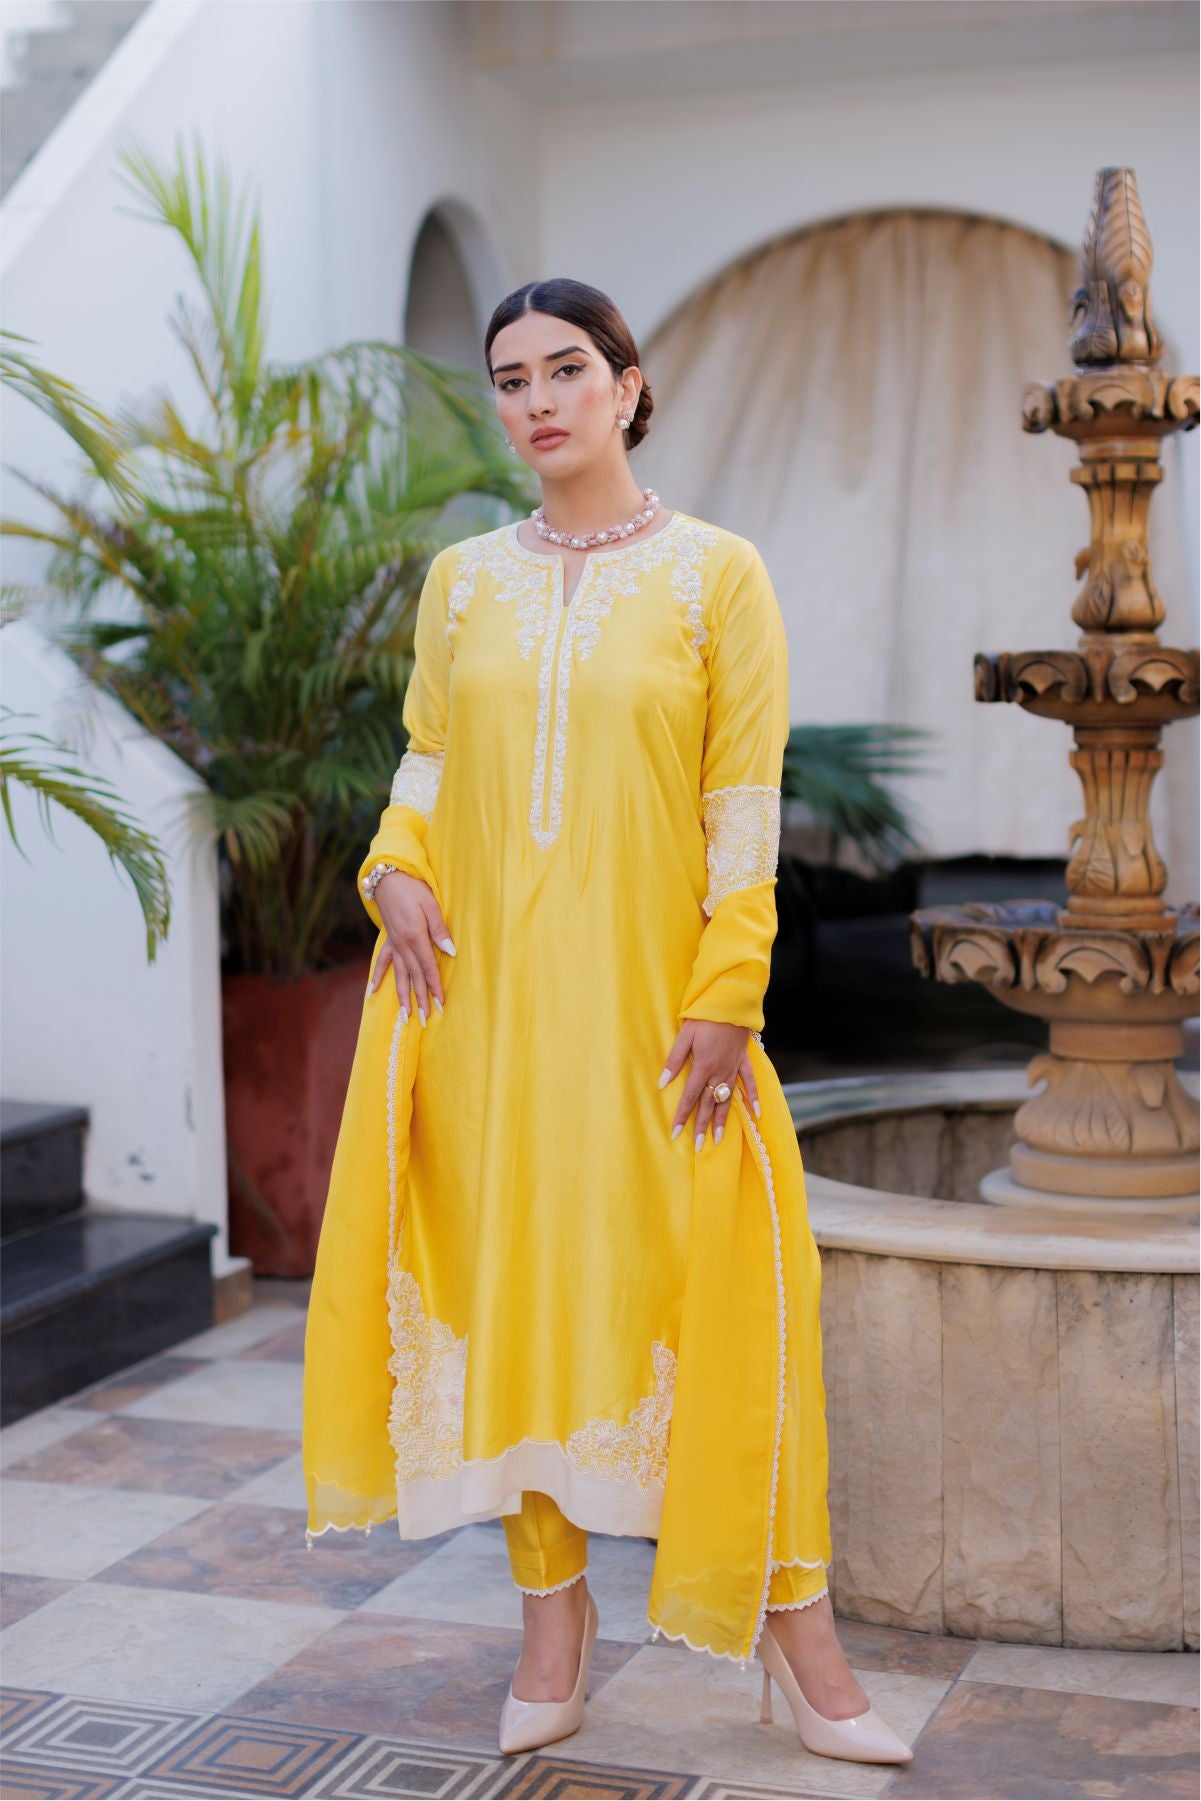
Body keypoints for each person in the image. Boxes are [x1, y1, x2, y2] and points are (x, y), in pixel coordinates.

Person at [302, 277, 912, 1768]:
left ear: (630, 385)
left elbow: (741, 808)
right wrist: (387, 869)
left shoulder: (717, 576)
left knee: (718, 1308)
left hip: (659, 1014)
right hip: (490, 1015)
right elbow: (428, 769)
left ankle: (799, 1640)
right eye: (510, 379)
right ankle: (550, 1627)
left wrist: (725, 993)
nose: (537, 400)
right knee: (524, 1294)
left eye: (566, 368)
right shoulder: (464, 582)